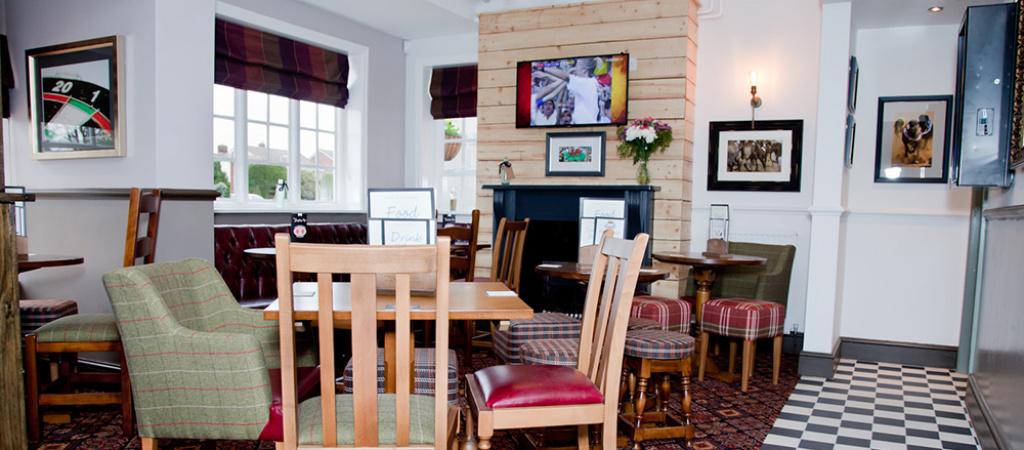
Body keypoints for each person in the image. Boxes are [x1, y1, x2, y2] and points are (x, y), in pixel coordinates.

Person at [544, 57, 605, 124]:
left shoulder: (585, 83)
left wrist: (543, 68)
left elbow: (566, 77)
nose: (575, 68)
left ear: (584, 70)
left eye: (577, 66)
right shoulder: (591, 82)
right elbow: (563, 81)